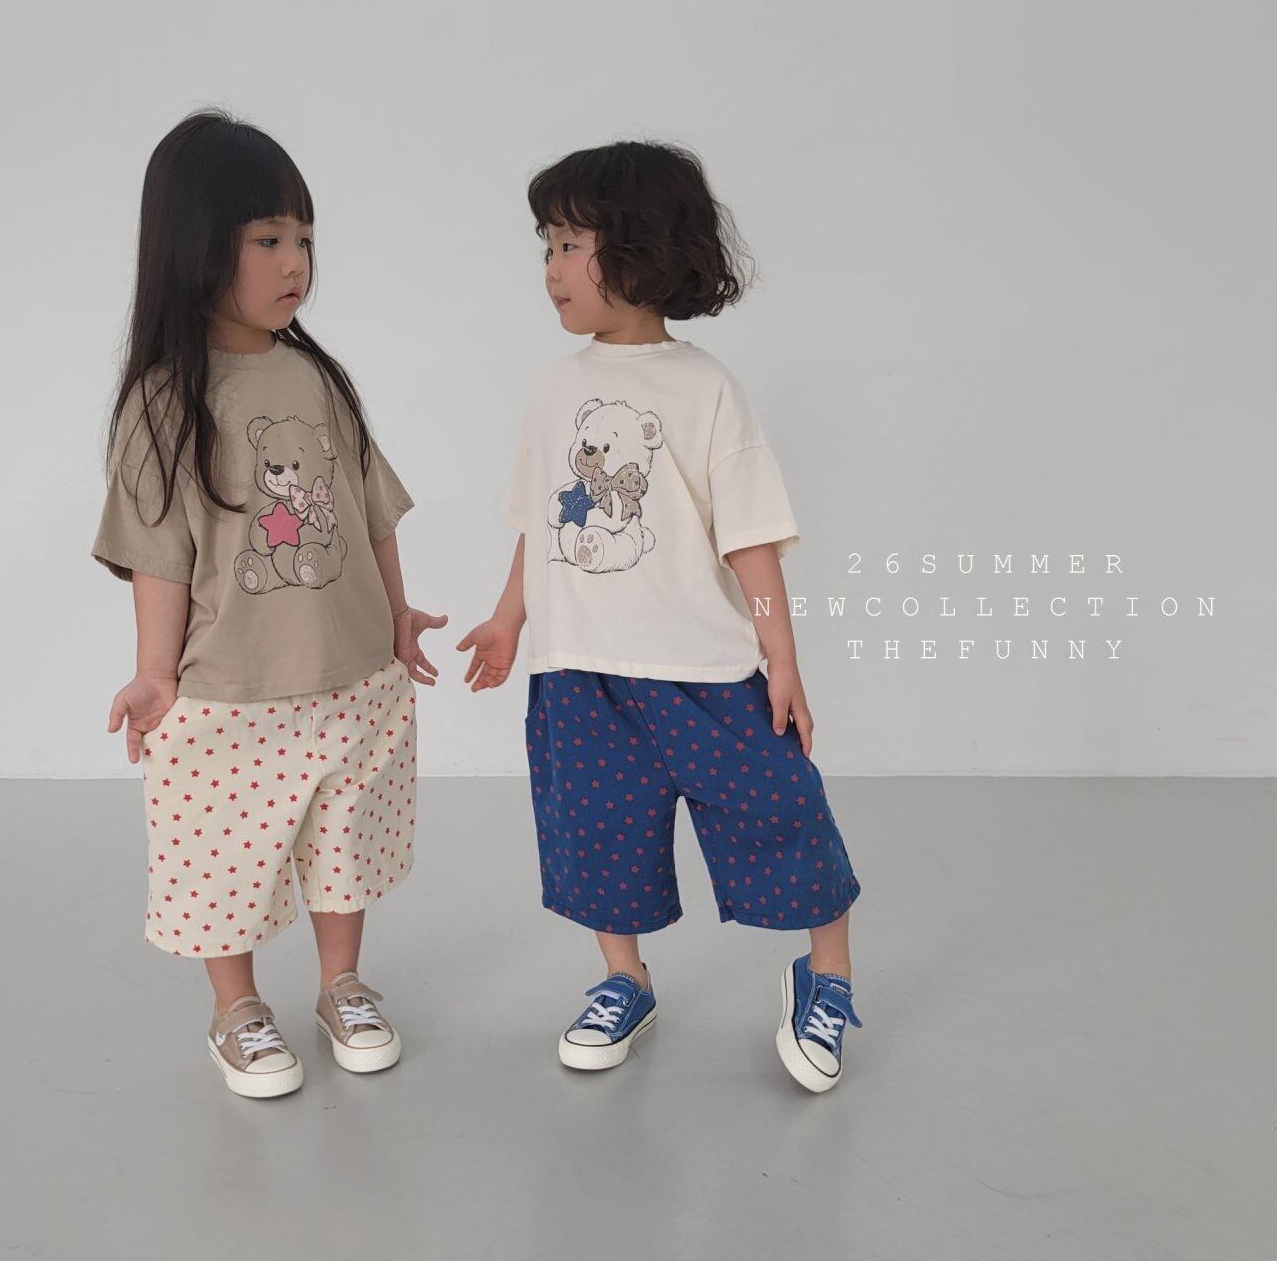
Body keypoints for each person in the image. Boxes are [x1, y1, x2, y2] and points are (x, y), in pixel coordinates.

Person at [456, 141, 863, 1092]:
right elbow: (544, 523)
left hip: (704, 673)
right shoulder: (555, 387)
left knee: (786, 810)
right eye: (546, 246)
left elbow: (751, 540)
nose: (550, 267)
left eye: (569, 244)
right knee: (600, 839)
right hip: (581, 673)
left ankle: (829, 975)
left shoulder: (706, 387)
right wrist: (509, 619)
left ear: (639, 248)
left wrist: (783, 660)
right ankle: (624, 980)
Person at [92, 110, 445, 1098]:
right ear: (195, 248)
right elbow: (159, 556)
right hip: (232, 691)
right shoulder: (165, 402)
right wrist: (155, 674)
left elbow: (370, 510)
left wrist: (397, 615)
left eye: (304, 238)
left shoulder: (317, 378)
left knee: (344, 842)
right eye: (267, 239)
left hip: (350, 674)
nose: (295, 263)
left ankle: (343, 984)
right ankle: (236, 1005)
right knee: (223, 858)